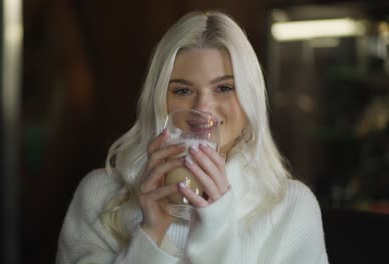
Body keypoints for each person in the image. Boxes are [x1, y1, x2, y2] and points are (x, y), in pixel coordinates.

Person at [56, 10, 328, 264]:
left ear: (249, 101)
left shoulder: (292, 208)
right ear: (159, 100)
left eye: (223, 87)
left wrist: (216, 225)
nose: (202, 108)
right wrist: (151, 234)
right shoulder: (100, 195)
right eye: (183, 91)